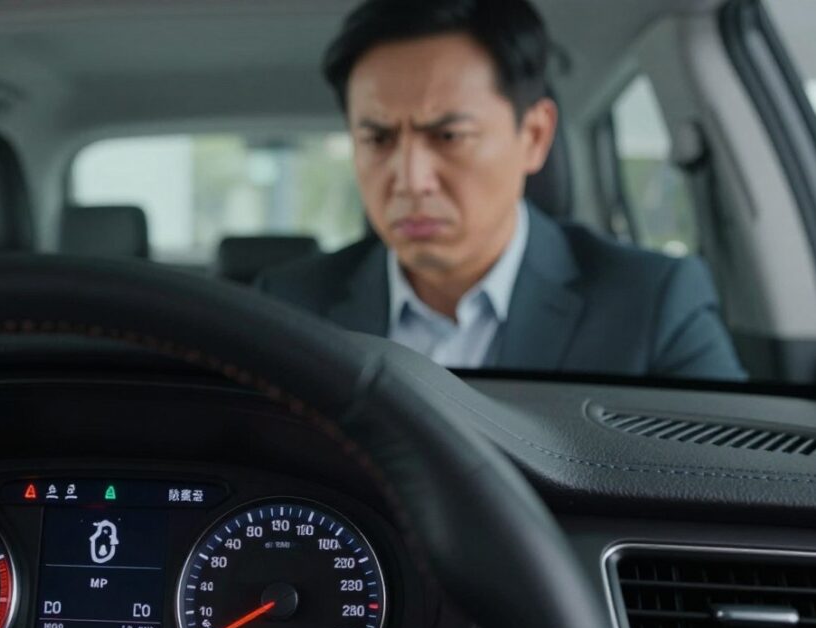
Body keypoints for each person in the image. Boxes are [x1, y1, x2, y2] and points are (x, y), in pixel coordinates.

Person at [256, 0, 746, 380]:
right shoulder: (287, 310)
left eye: (449, 136)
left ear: (533, 136)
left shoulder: (652, 306)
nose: (410, 179)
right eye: (378, 139)